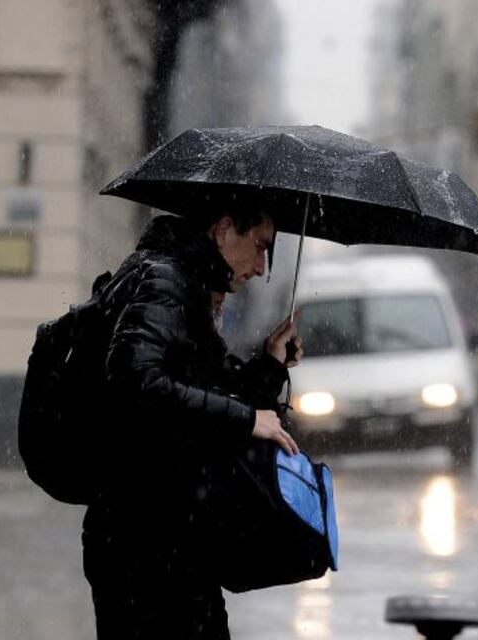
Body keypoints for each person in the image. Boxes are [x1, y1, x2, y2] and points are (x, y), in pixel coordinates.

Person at [82, 210, 303, 639]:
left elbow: (200, 398)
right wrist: (245, 419)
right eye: (259, 246)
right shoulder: (165, 280)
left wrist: (271, 367)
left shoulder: (187, 286)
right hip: (145, 543)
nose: (261, 267)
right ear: (223, 229)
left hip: (167, 537)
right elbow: (137, 382)